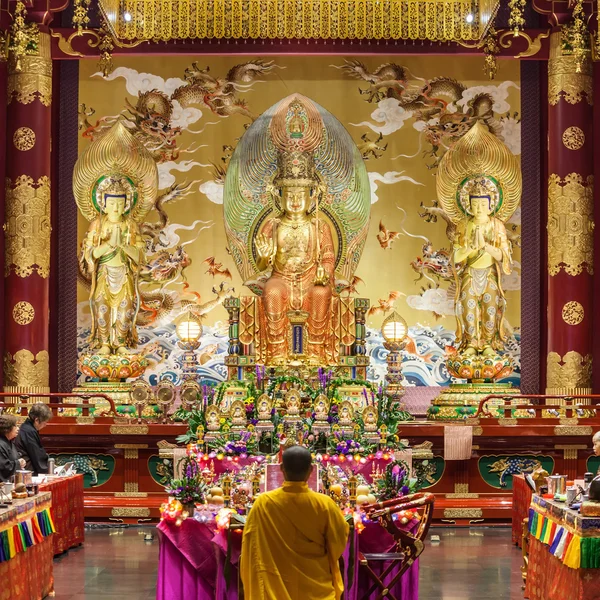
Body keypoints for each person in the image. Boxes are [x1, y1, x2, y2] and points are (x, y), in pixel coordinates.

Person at [240, 446, 349, 600]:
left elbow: (251, 548)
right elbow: (338, 543)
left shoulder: (263, 503)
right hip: (316, 590)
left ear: (282, 469)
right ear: (311, 470)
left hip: (274, 590)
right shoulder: (325, 504)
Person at [15, 403, 52, 475]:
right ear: (37, 420)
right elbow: (35, 454)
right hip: (27, 470)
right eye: (45, 422)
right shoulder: (29, 431)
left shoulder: (28, 428)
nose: (45, 425)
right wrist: (47, 469)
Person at [0, 414, 25, 482]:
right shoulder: (1, 444)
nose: (18, 428)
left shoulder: (9, 442)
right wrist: (18, 463)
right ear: (7, 428)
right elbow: (3, 468)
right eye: (15, 426)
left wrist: (20, 462)